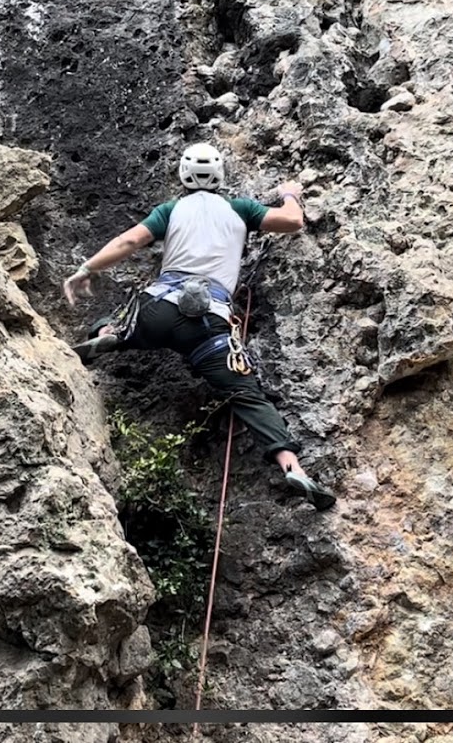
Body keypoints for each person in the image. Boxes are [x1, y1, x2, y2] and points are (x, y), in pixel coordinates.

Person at [63, 143, 336, 511]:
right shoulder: (241, 209)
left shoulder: (170, 210)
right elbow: (292, 221)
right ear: (220, 174)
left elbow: (129, 241)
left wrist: (87, 269)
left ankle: (111, 335)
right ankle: (292, 466)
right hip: (209, 323)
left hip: (159, 308)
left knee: (119, 321)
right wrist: (290, 193)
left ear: (182, 175)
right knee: (247, 395)